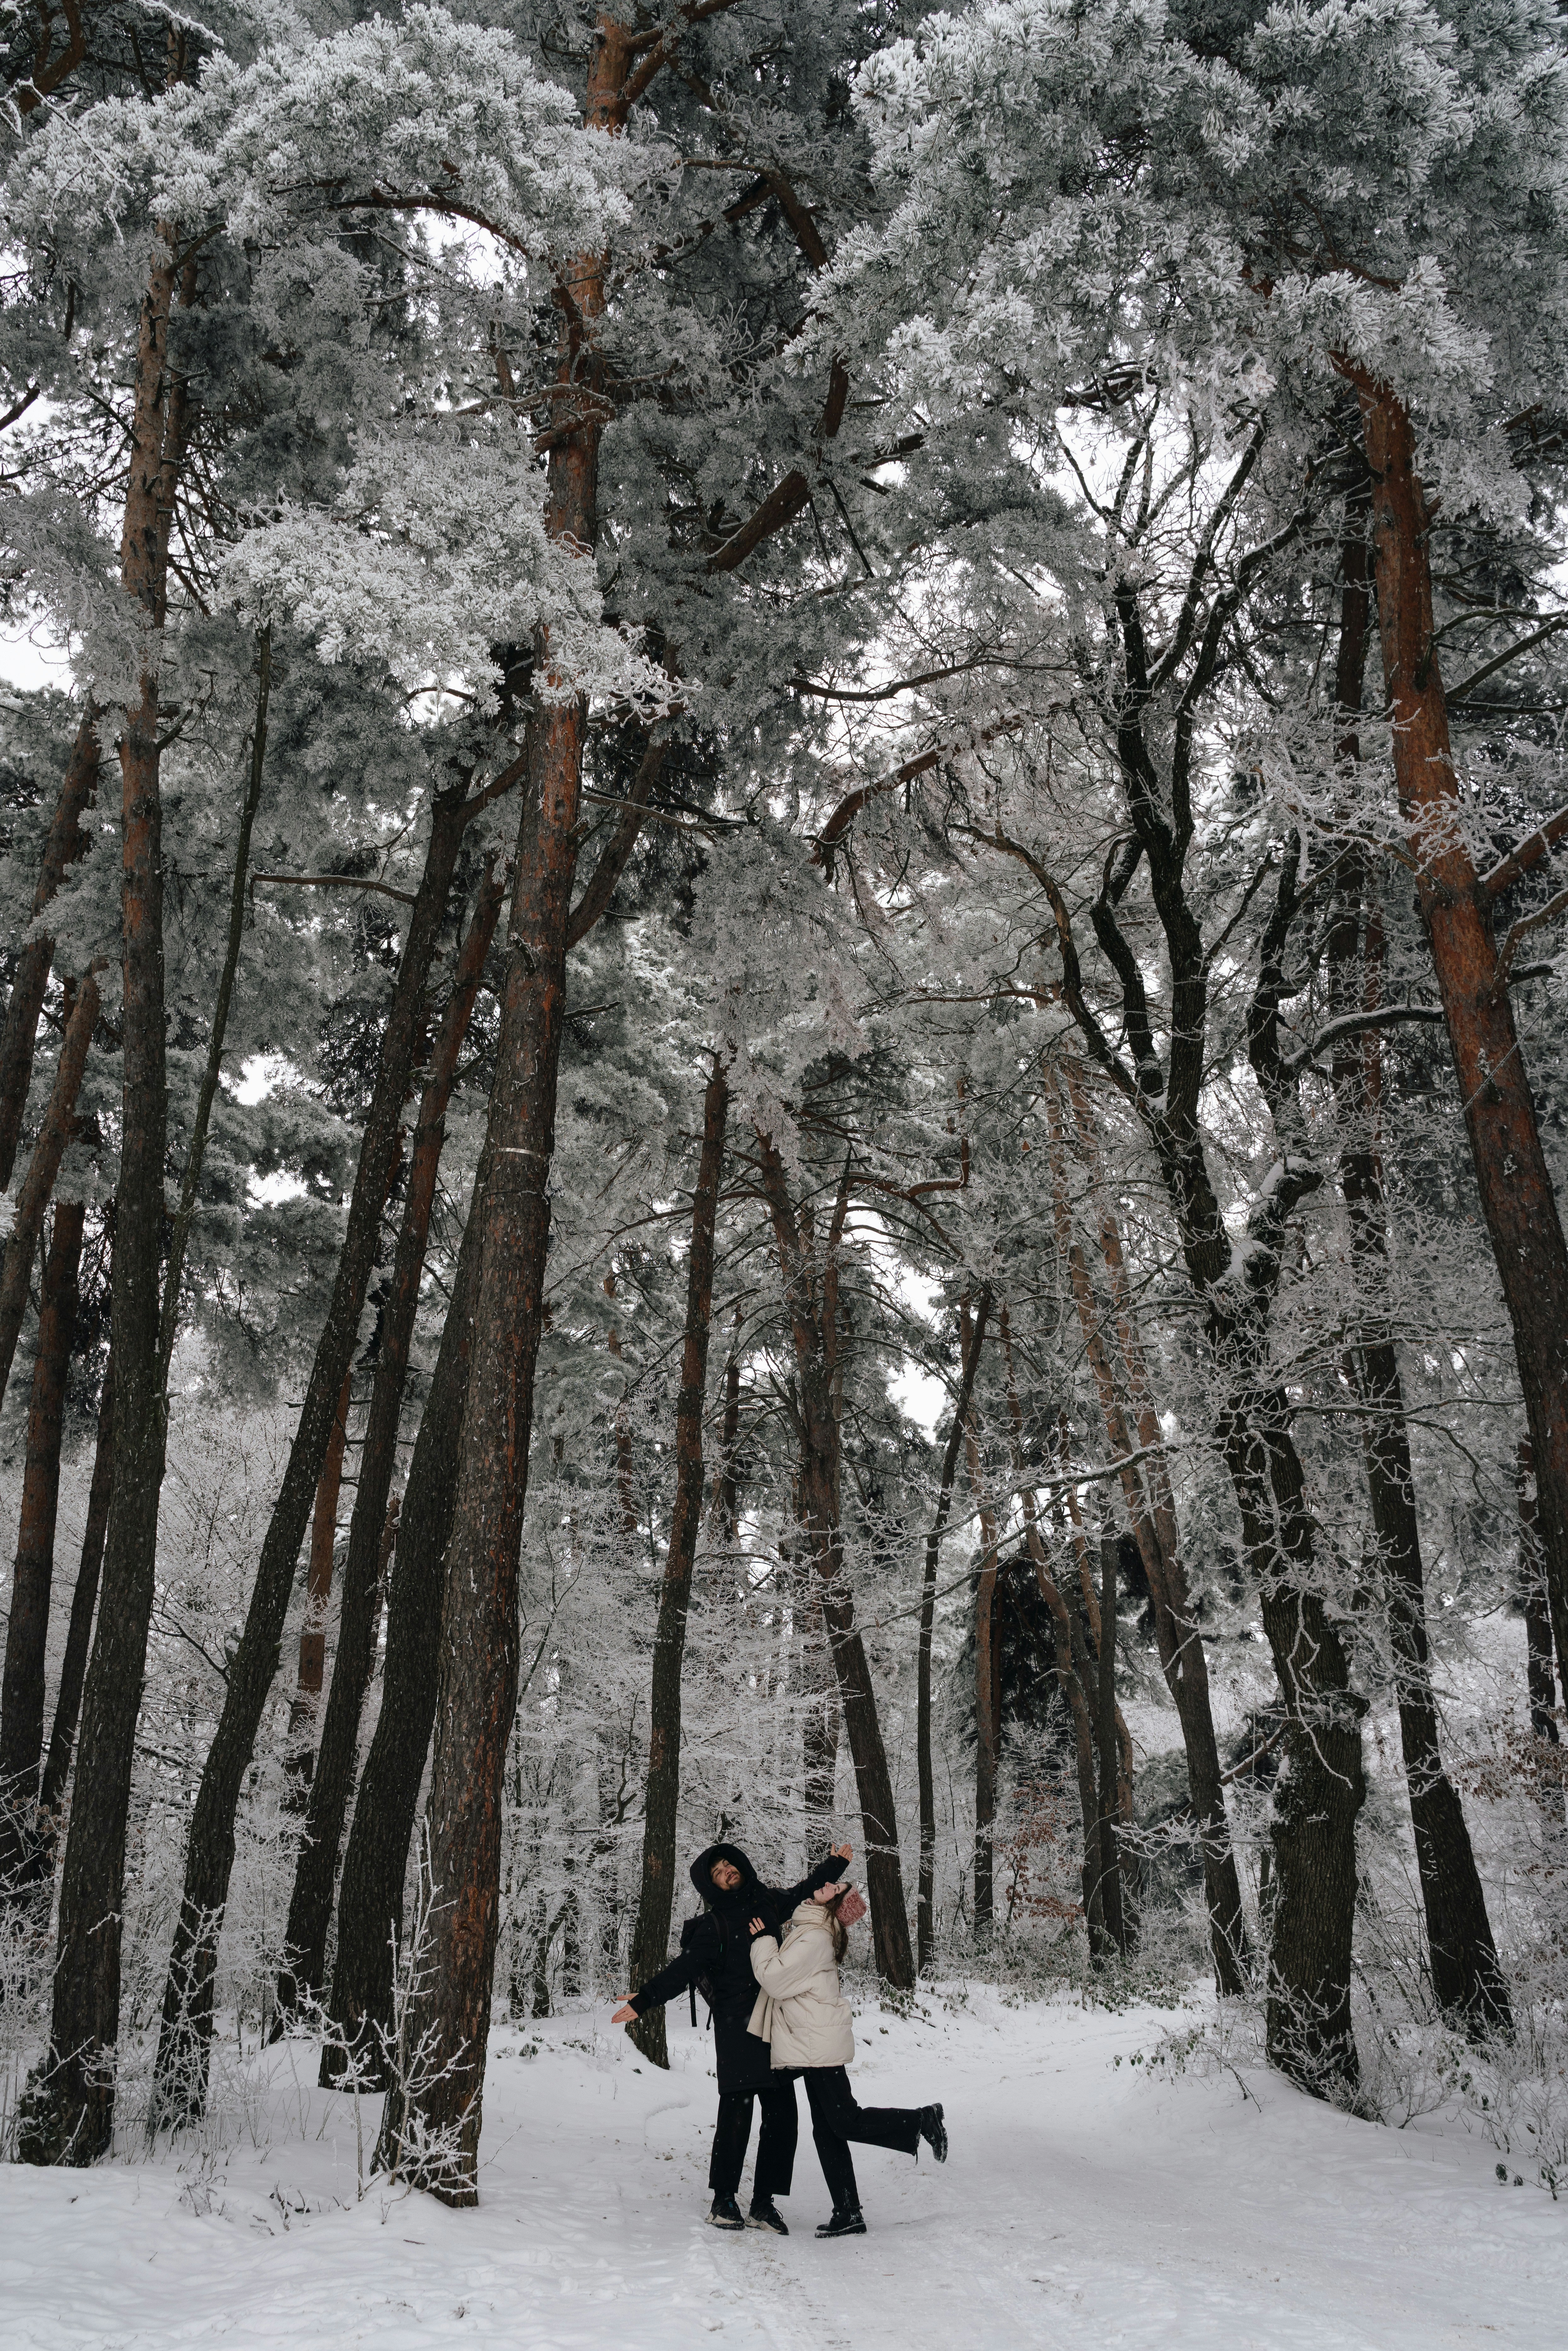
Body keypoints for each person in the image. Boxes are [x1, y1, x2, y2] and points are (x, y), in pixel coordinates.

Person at [612, 1838, 851, 2233]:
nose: (727, 1872)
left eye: (728, 1865)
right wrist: (645, 1999)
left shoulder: (769, 1902)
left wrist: (835, 1867)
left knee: (783, 2115)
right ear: (713, 1887)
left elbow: (806, 1890)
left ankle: (763, 2203)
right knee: (737, 2113)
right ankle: (723, 2198)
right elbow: (683, 1969)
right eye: (718, 1873)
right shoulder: (715, 1925)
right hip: (736, 2026)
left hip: (775, 2023)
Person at [747, 1880, 947, 2239]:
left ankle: (922, 2120)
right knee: (828, 2128)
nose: (826, 1884)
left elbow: (774, 1979)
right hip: (810, 2040)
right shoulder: (811, 1928)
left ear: (833, 1905)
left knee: (844, 2121)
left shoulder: (815, 1938)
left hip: (816, 2042)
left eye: (834, 1887)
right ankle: (848, 2210)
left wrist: (763, 1940)